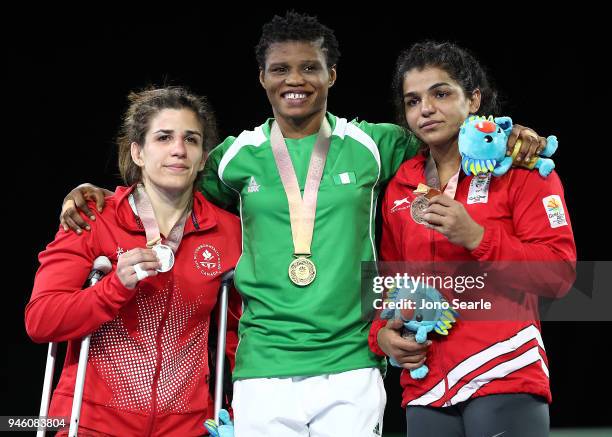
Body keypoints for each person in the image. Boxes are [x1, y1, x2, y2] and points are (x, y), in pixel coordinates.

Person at [57, 13, 547, 437]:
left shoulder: (379, 144)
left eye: (310, 67)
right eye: (281, 69)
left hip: (353, 363)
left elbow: (446, 137)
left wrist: (508, 135)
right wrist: (101, 193)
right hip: (263, 365)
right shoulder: (233, 158)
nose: (297, 79)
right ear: (262, 78)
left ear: (331, 74)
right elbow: (168, 183)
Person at [370, 41, 577, 437]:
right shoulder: (401, 185)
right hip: (425, 384)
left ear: (475, 99)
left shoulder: (522, 170)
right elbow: (390, 280)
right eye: (413, 101)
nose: (426, 109)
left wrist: (479, 238)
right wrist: (382, 335)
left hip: (504, 370)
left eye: (441, 93)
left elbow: (560, 275)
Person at [26, 87, 242, 436]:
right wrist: (114, 287)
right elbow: (40, 320)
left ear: (203, 157)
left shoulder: (228, 232)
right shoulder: (92, 218)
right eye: (163, 137)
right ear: (137, 152)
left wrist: (241, 408)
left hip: (187, 427)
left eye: (191, 139)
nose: (178, 149)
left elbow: (237, 333)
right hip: (92, 423)